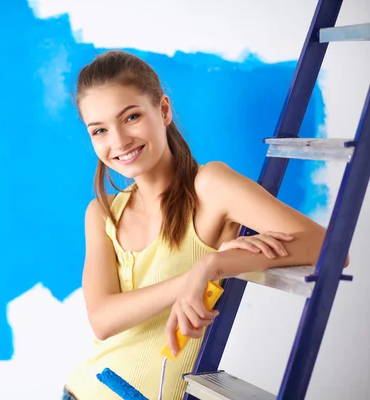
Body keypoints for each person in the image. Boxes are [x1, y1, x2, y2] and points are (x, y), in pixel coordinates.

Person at [62, 50, 346, 400]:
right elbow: (102, 320)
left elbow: (331, 248)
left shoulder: (210, 187)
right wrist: (195, 275)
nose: (118, 141)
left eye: (131, 117)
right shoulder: (102, 213)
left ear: (163, 110)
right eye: (100, 130)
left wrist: (216, 264)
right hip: (82, 390)